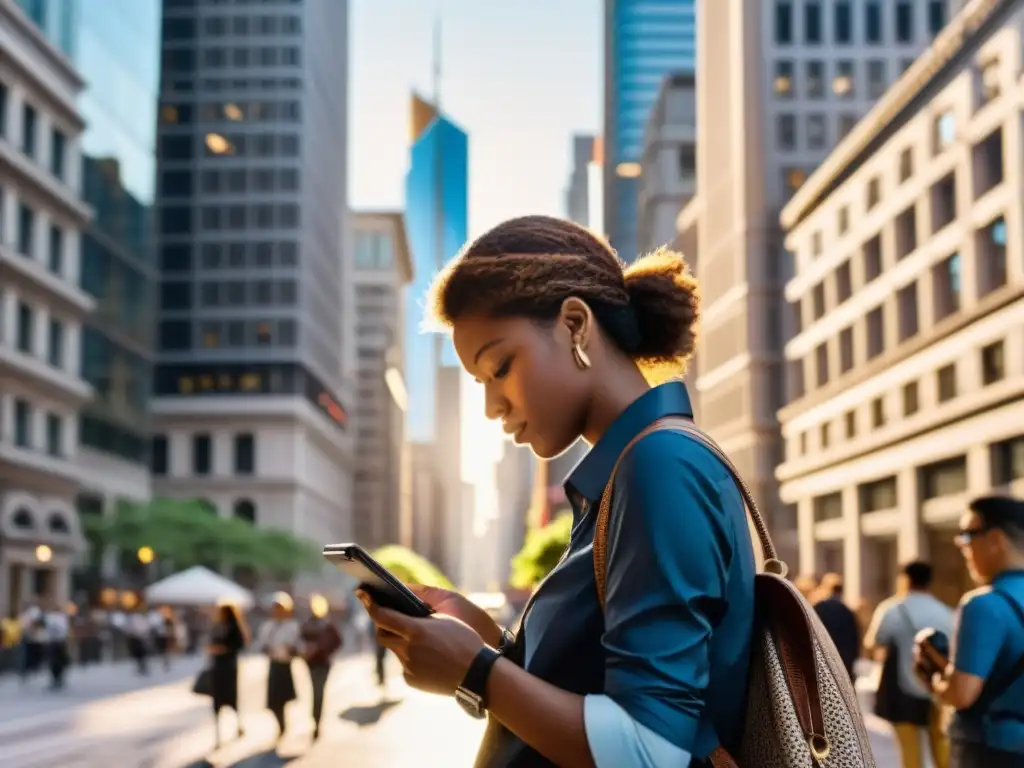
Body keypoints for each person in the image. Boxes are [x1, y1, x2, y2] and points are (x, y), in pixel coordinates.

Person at [358, 216, 756, 767]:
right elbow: (589, 696)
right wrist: (481, 637)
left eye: (500, 366)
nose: (492, 407)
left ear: (574, 324)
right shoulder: (624, 475)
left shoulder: (660, 466)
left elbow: (649, 751)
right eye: (480, 382)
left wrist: (476, 671)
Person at [915, 495, 1024, 767]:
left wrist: (934, 679)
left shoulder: (984, 605)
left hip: (991, 750)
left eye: (967, 535)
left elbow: (962, 694)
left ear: (996, 539)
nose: (963, 547)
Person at [865, 560, 954, 768]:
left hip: (902, 692)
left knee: (910, 754)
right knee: (942, 750)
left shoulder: (892, 609)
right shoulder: (945, 612)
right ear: (930, 581)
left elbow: (873, 642)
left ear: (905, 580)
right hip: (938, 691)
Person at [255, 593, 300, 745]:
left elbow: (297, 645)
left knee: (283, 698)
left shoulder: (291, 626)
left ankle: (284, 723)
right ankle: (281, 723)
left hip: (285, 664)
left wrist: (290, 650)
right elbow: (262, 644)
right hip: (274, 664)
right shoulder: (268, 626)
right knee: (273, 701)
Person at [207, 602, 249, 749]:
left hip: (228, 667)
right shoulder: (218, 627)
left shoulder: (233, 627)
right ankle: (218, 734)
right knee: (217, 702)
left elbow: (239, 645)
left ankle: (238, 725)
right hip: (218, 668)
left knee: (232, 699)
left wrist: (223, 649)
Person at [299, 600, 343, 740]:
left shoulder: (327, 626)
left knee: (318, 692)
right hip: (312, 663)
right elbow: (299, 641)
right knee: (316, 691)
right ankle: (315, 719)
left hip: (323, 663)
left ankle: (317, 720)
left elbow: (337, 642)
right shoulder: (307, 625)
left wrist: (323, 649)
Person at [813, 573, 861, 681]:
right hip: (845, 667)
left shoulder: (818, 609)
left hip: (823, 668)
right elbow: (855, 641)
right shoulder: (848, 611)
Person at [43, 600, 70, 690]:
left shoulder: (61, 617)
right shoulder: (49, 617)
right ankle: (54, 678)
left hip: (60, 642)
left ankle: (59, 678)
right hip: (52, 642)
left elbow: (64, 629)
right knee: (53, 662)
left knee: (60, 662)